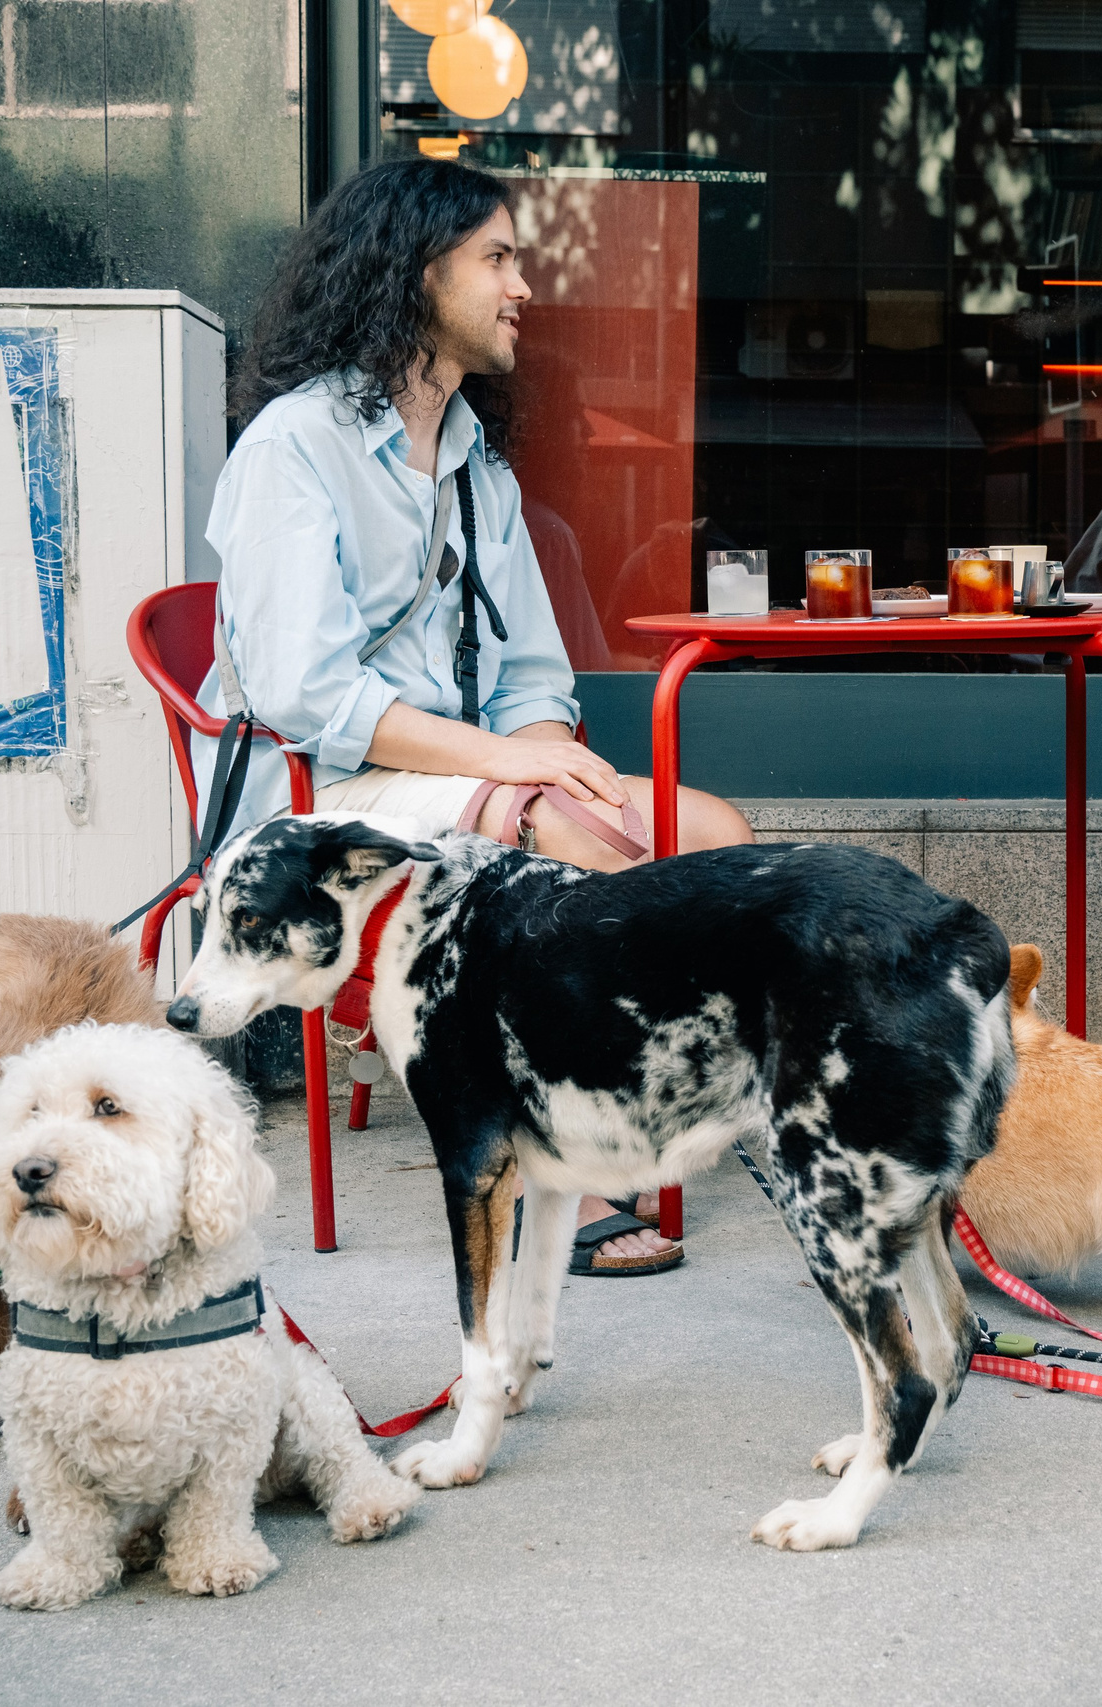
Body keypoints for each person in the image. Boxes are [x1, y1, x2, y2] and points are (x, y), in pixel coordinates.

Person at [208, 157, 756, 1273]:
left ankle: (647, 1102)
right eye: (497, 259)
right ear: (419, 274)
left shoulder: (472, 463)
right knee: (565, 838)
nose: (523, 288)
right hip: (317, 792)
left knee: (714, 838)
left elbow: (534, 680)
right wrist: (520, 771)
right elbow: (309, 694)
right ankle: (561, 1155)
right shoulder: (291, 447)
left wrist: (550, 756)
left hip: (458, 775)